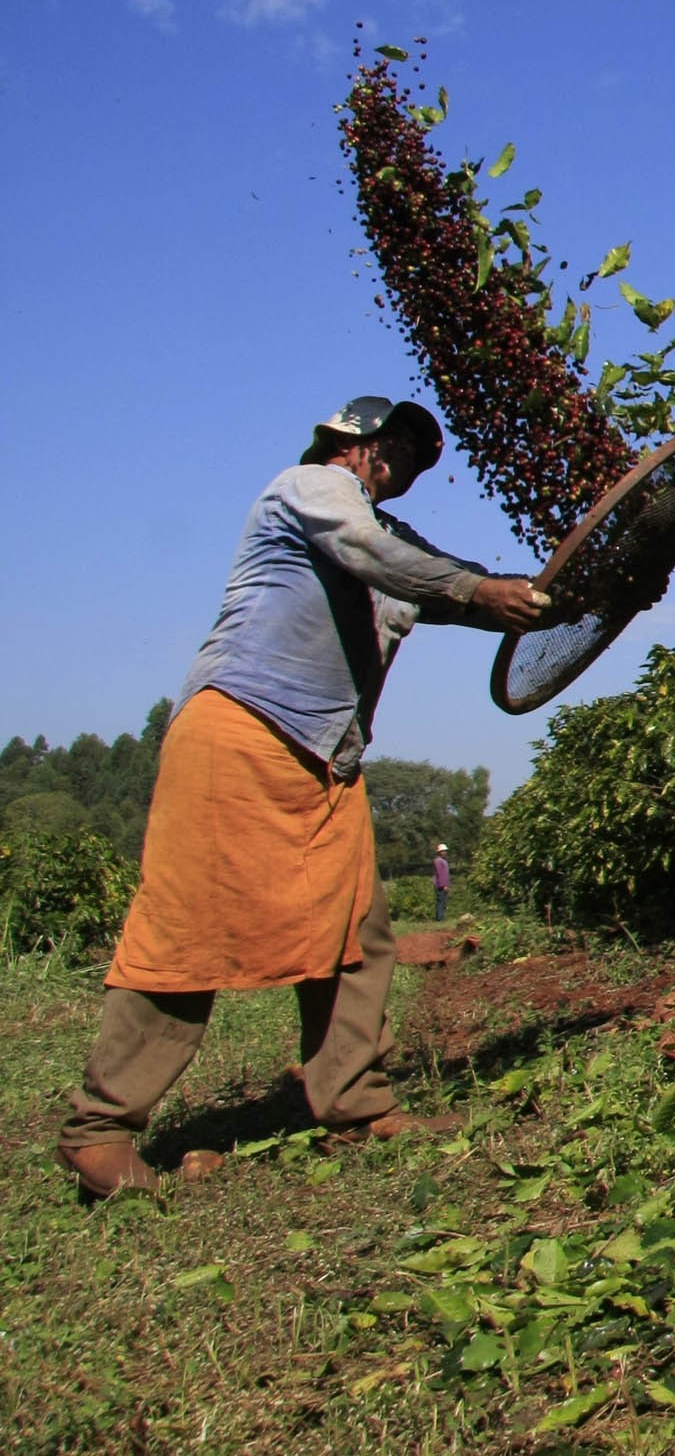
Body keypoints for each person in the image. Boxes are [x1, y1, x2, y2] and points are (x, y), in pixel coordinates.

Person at [55, 397, 547, 1200]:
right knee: (187, 933)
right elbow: (383, 556)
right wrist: (477, 587)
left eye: (420, 458)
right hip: (243, 729)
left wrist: (561, 597)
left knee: (358, 933)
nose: (404, 464)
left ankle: (354, 1102)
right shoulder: (310, 488)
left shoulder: (396, 543)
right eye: (393, 444)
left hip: (326, 758)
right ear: (351, 442)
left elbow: (461, 594)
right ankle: (100, 1126)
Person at [432, 843, 451, 921]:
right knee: (441, 901)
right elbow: (440, 874)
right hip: (440, 885)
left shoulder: (443, 861)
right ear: (439, 852)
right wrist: (444, 885)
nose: (445, 852)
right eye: (443, 851)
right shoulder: (438, 861)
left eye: (445, 851)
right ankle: (440, 918)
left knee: (443, 901)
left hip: (444, 884)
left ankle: (441, 916)